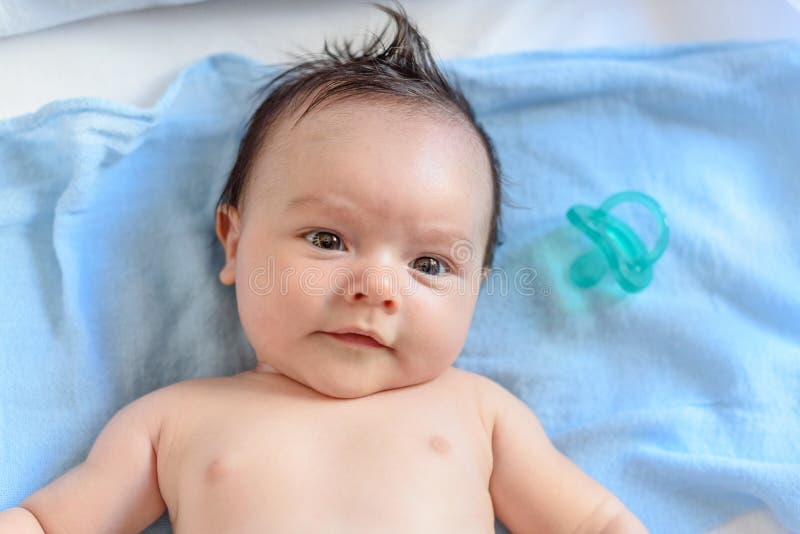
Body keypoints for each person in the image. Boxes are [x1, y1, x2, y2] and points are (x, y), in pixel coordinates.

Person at [0, 3, 648, 532]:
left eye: (429, 263)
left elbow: (595, 523)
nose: (376, 288)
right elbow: (49, 522)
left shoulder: (483, 415)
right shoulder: (170, 422)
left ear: (475, 291)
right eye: (328, 239)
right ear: (234, 244)